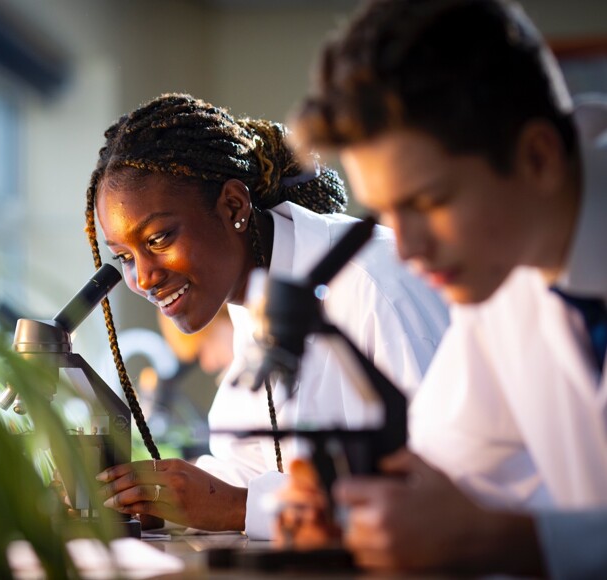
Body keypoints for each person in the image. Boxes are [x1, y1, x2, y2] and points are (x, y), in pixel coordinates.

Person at [293, 0, 607, 576]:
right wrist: (353, 502)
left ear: (538, 157)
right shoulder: (498, 272)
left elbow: (486, 533)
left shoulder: (495, 257)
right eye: (387, 212)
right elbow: (446, 465)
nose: (406, 249)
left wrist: (512, 543)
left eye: (430, 202)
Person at [84, 93, 448, 538]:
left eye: (159, 239)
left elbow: (443, 487)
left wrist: (237, 507)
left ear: (233, 207)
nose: (143, 278)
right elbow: (252, 470)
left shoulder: (374, 282)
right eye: (124, 257)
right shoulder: (253, 298)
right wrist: (152, 498)